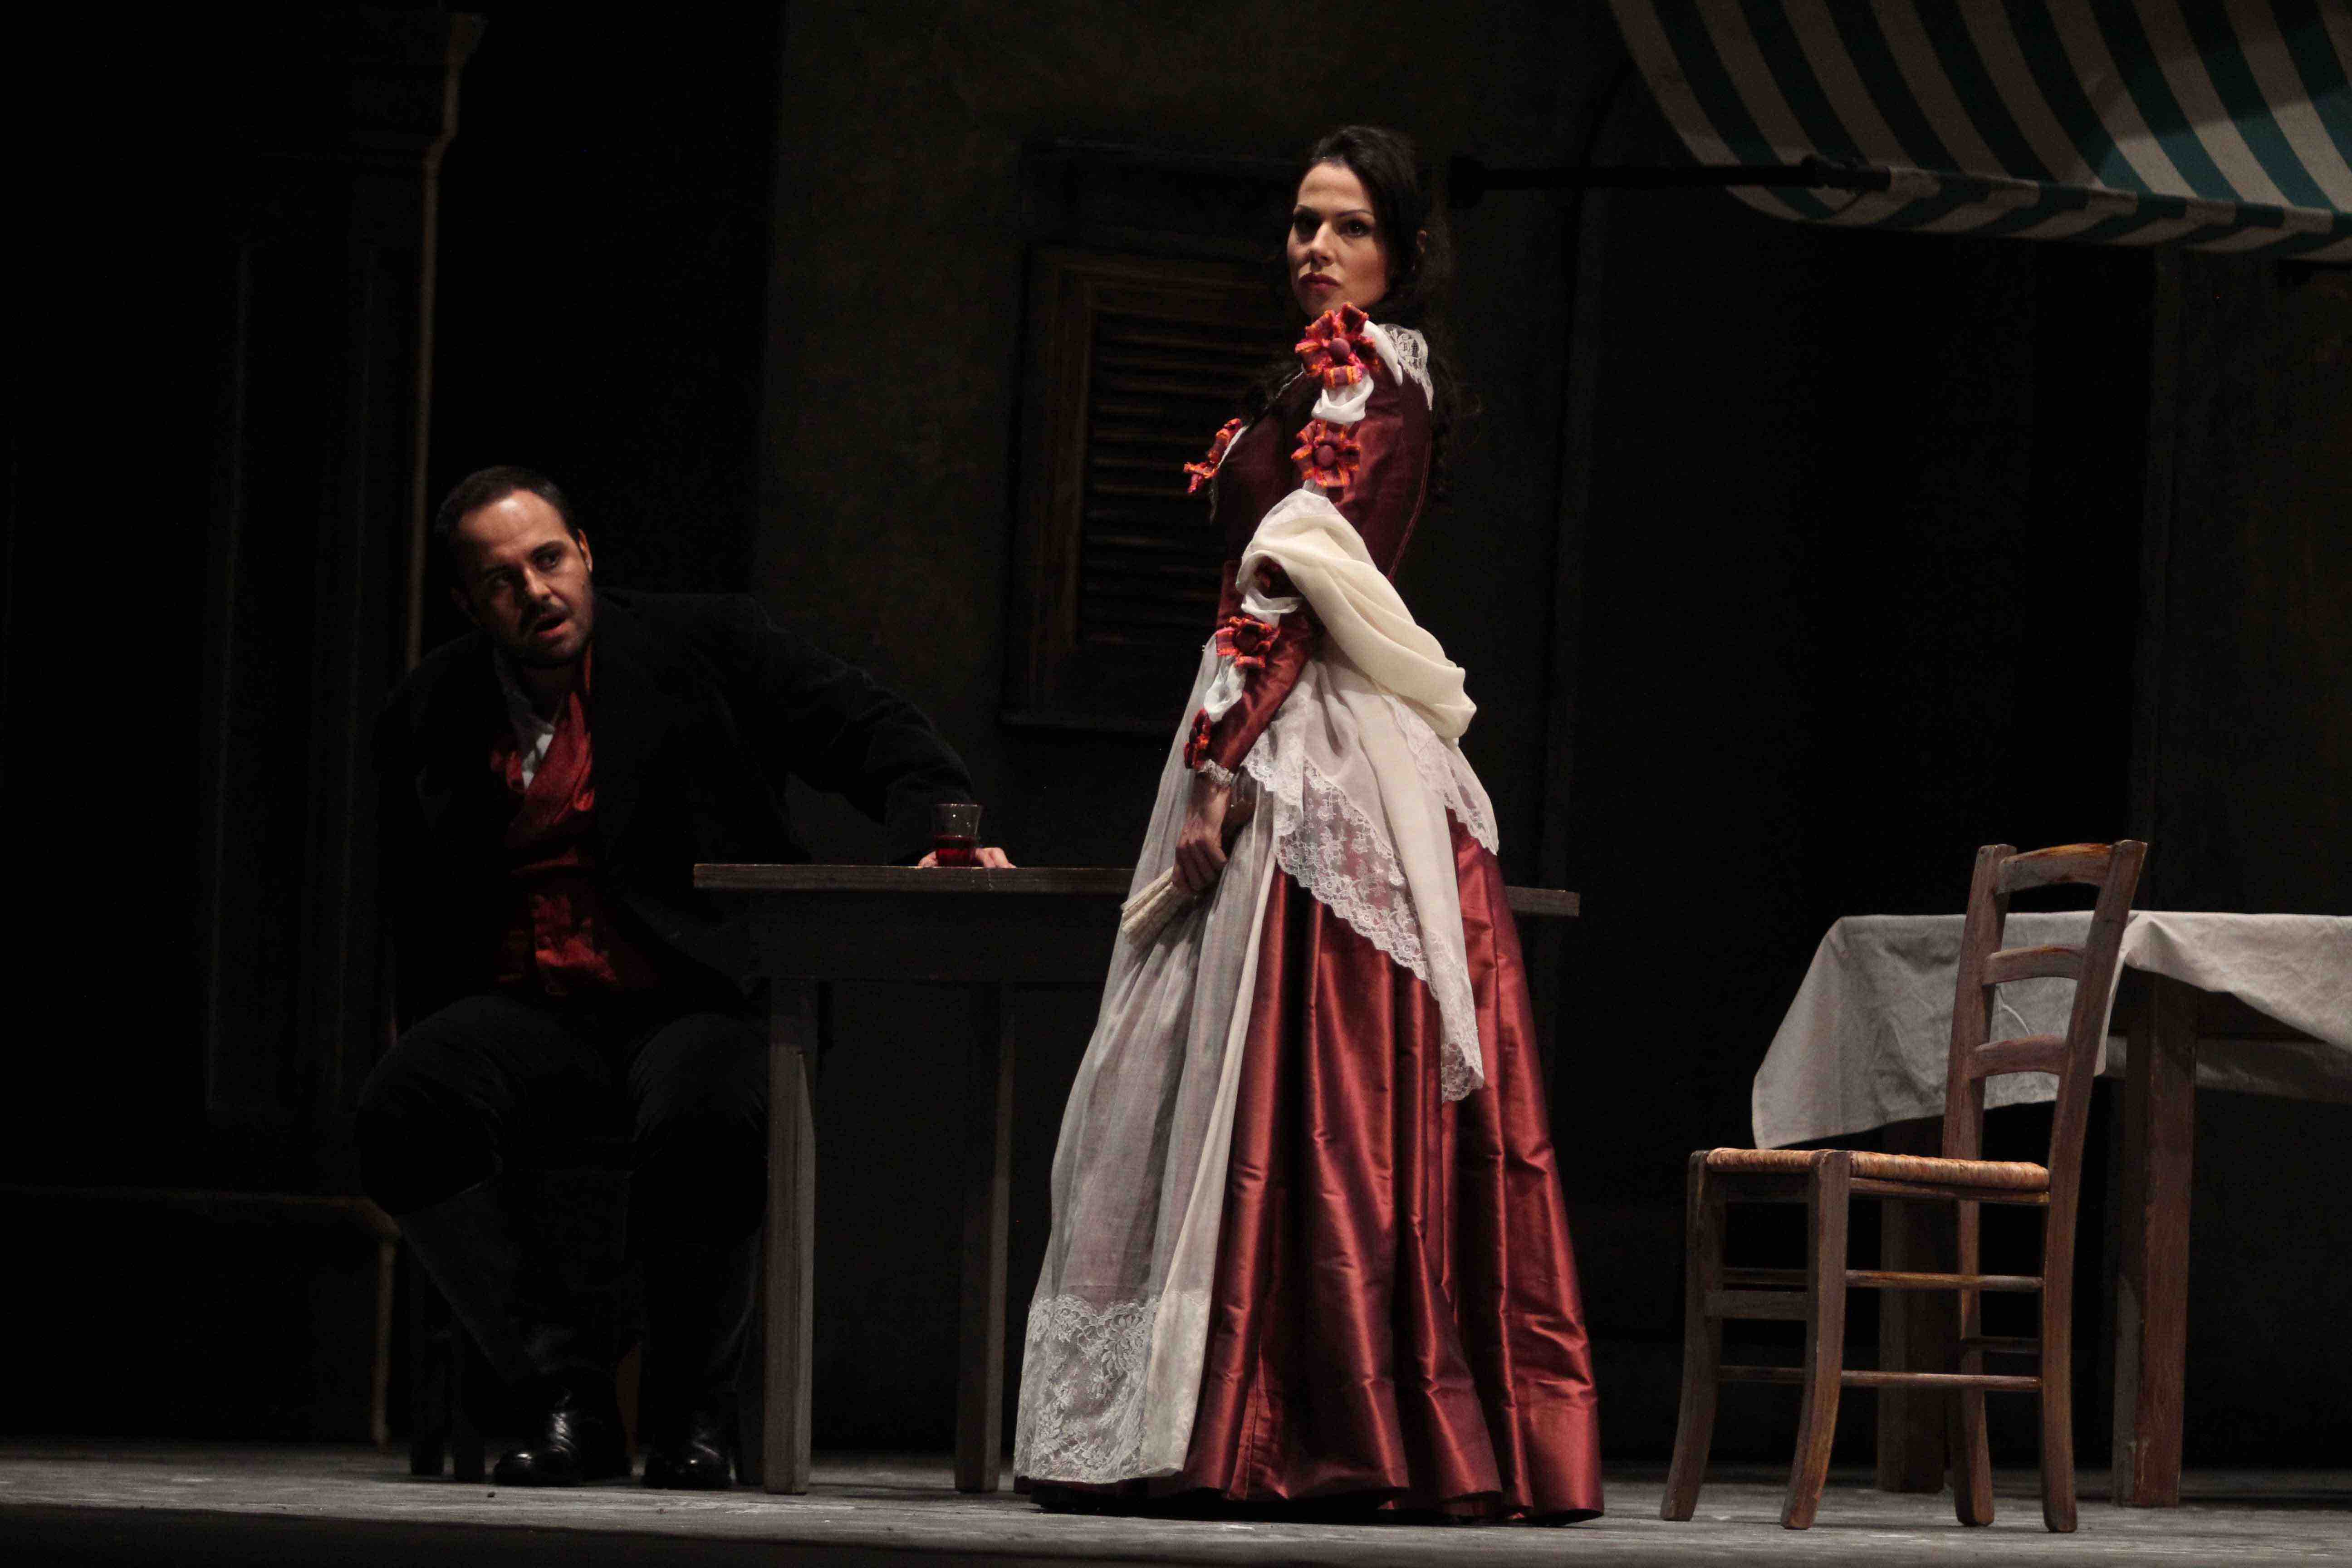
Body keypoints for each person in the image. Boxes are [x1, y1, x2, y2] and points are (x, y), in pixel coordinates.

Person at [1013, 127, 1603, 1521]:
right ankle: (1220, 1411)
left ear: (1402, 251)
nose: (1315, 248)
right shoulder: (1324, 372)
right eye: (1301, 223)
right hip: (1272, 718)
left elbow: (1294, 576)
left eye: (1347, 226)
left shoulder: (1373, 375)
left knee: (1313, 1078)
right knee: (1220, 1068)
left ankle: (1319, 1419)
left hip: (1310, 747)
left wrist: (1223, 760)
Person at [358, 467, 1007, 1489]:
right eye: (500, 581)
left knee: (708, 1103)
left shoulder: (701, 643)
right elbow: (414, 901)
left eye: (549, 559)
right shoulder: (432, 705)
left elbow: (868, 727)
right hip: (535, 1012)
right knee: (404, 1103)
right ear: (467, 603)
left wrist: (939, 835)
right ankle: (563, 1393)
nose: (535, 592)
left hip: (695, 994)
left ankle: (689, 1416)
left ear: (585, 553)